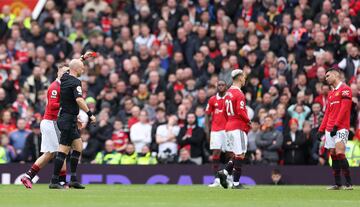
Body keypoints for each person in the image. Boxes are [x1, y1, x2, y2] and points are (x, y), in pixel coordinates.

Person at [49, 52, 96, 189]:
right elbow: (79, 99)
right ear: (76, 69)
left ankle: (74, 179)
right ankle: (54, 181)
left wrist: (82, 58)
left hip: (67, 118)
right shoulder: (76, 82)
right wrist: (90, 114)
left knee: (78, 147)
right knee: (63, 149)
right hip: (68, 119)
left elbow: (70, 67)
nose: (83, 70)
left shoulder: (64, 77)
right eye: (82, 68)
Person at [20, 65, 68, 189]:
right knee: (61, 151)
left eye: (67, 72)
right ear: (58, 73)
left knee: (49, 154)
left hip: (51, 122)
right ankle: (62, 181)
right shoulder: (54, 87)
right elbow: (52, 105)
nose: (65, 74)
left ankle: (28, 176)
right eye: (63, 72)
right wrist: (66, 103)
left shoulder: (62, 86)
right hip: (51, 122)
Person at [317, 68, 353, 190]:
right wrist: (321, 130)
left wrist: (336, 125)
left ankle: (349, 183)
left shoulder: (346, 90)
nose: (326, 78)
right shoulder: (331, 94)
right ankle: (338, 184)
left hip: (341, 127)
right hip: (329, 128)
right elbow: (327, 113)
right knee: (332, 153)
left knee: (340, 152)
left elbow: (345, 109)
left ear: (335, 75)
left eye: (328, 76)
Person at [217, 69, 251, 189]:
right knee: (240, 155)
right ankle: (236, 183)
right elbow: (241, 111)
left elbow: (225, 113)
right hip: (238, 126)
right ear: (240, 78)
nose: (245, 79)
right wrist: (248, 121)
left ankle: (224, 173)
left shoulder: (227, 94)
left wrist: (230, 122)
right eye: (244, 77)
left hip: (229, 126)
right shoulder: (239, 94)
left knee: (237, 154)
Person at [205, 80, 227, 187]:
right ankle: (217, 180)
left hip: (228, 130)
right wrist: (207, 131)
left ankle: (229, 177)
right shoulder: (212, 99)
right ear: (217, 87)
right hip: (216, 130)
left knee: (230, 154)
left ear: (226, 86)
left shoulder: (230, 99)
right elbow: (207, 115)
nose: (221, 86)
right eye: (219, 85)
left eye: (223, 85)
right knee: (216, 153)